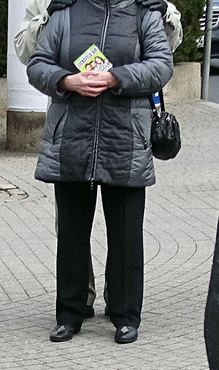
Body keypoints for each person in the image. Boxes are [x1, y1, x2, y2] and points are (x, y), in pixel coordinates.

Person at [27, 0, 173, 346]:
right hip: (72, 140)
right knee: (72, 234)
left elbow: (161, 66)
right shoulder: (66, 13)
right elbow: (37, 65)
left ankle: (125, 316)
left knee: (126, 234)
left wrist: (116, 77)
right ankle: (69, 314)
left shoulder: (144, 14)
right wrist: (67, 80)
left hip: (125, 139)